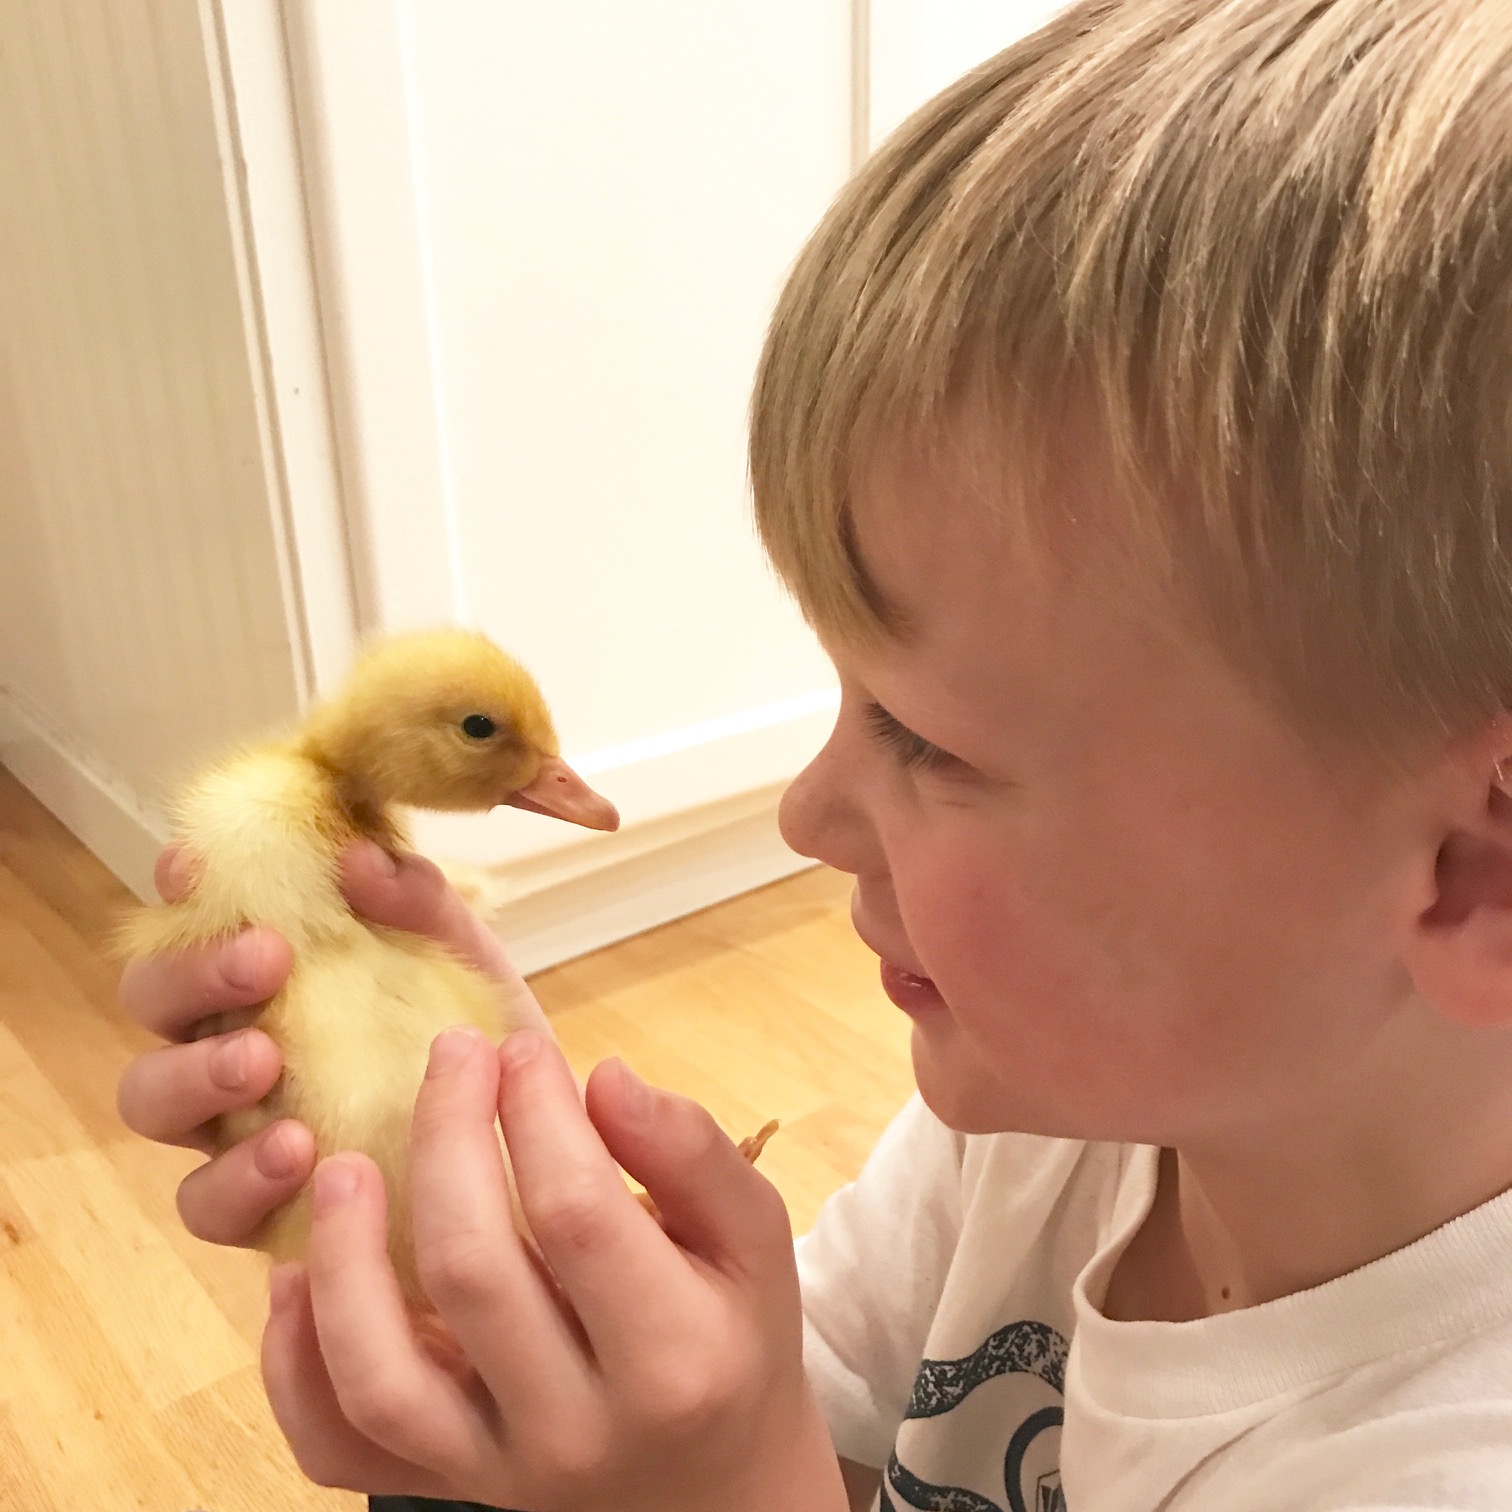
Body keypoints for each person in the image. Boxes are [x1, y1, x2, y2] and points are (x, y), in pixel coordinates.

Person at [117, 0, 1512, 1506]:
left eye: (922, 733)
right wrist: (548, 1281)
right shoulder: (1049, 1136)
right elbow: (836, 1438)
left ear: (1475, 871)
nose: (805, 814)